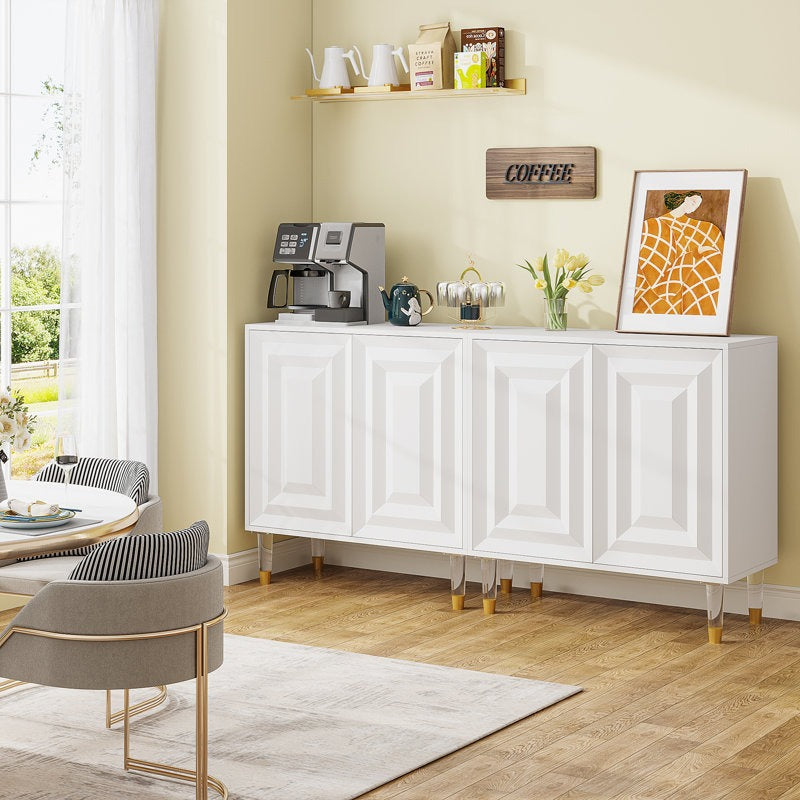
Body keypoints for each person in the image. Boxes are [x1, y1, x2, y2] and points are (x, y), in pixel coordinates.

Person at [633, 191, 724, 315]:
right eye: (693, 201)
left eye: (698, 204)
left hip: (703, 300)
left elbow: (724, 270)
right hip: (658, 308)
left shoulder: (708, 229)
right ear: (683, 198)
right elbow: (660, 285)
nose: (695, 206)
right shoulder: (653, 227)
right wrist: (696, 253)